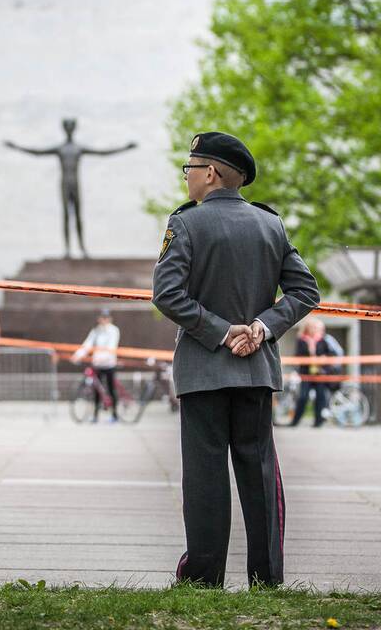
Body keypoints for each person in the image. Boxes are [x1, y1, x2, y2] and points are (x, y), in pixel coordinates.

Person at [153, 131, 319, 588]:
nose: (186, 177)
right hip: (255, 371)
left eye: (189, 168)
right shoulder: (271, 225)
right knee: (260, 472)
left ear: (210, 173)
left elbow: (166, 294)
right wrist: (261, 328)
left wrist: (222, 333)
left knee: (205, 476)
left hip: (203, 371)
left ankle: (205, 578)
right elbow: (306, 291)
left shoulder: (185, 224)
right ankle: (267, 577)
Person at [72, 308, 122, 423]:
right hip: (98, 365)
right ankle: (95, 416)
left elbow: (111, 347)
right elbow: (87, 344)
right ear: (99, 319)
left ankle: (114, 415)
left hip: (109, 364)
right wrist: (77, 355)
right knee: (97, 391)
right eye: (102, 317)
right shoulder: (96, 331)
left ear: (109, 319)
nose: (104, 320)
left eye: (106, 317)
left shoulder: (114, 330)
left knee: (111, 389)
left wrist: (99, 357)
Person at [289, 319, 329, 428]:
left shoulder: (322, 340)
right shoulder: (302, 340)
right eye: (312, 327)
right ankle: (295, 421)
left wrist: (322, 358)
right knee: (303, 396)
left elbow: (327, 354)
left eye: (315, 327)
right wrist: (310, 354)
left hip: (319, 373)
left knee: (320, 397)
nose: (314, 329)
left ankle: (318, 422)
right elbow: (298, 355)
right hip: (306, 373)